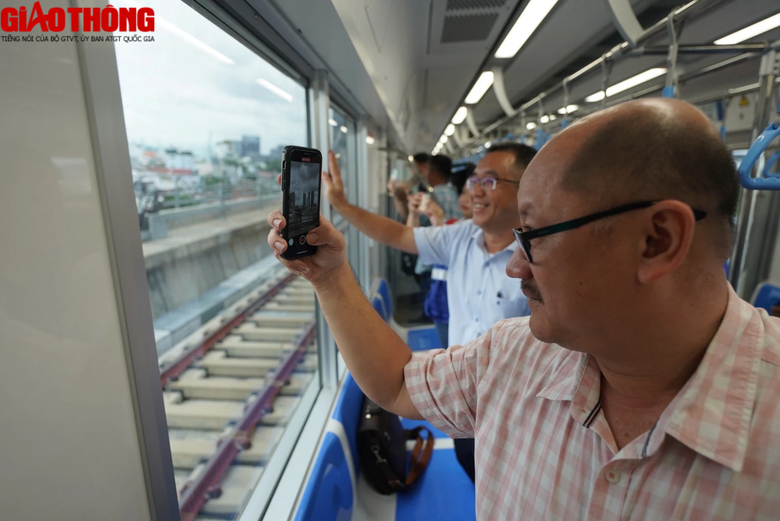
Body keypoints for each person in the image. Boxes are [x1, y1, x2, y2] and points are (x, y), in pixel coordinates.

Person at [267, 98, 780, 519]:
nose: (515, 267)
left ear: (656, 240)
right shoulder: (514, 354)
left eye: (534, 236)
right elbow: (399, 383)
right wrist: (328, 276)